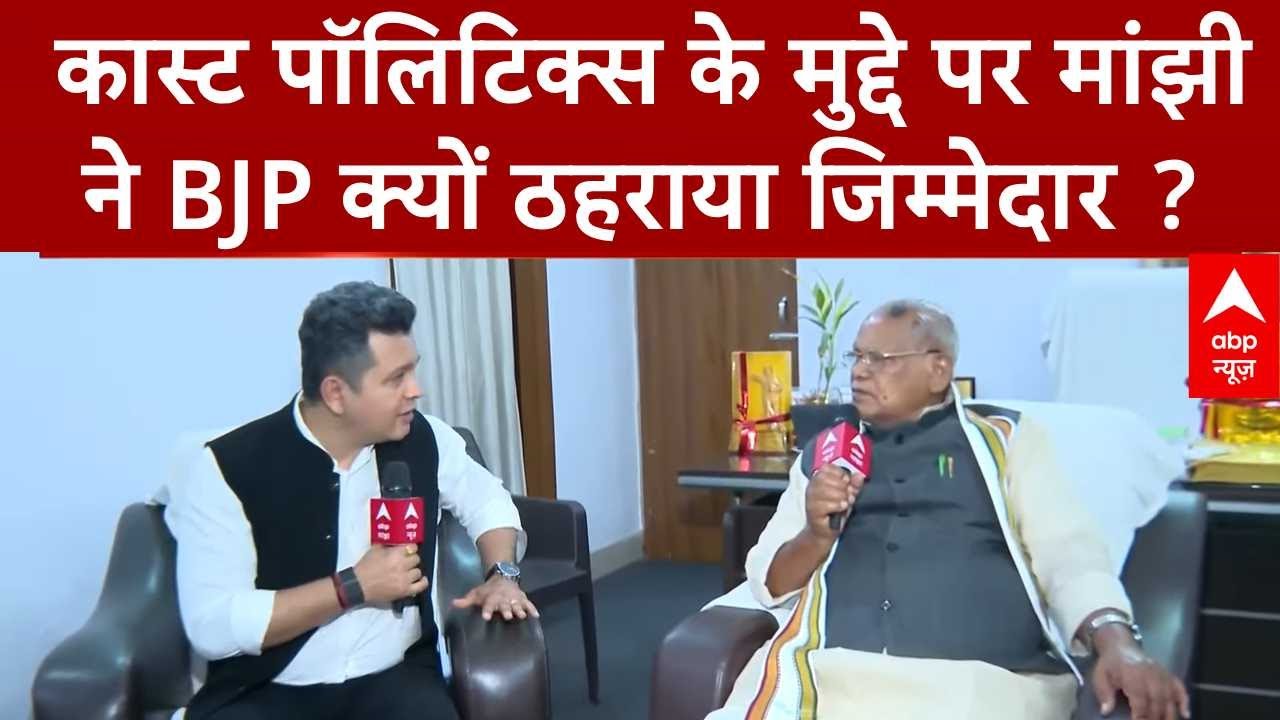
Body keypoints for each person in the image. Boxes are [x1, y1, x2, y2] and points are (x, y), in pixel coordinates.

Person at [710, 300, 1189, 720]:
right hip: (826, 676)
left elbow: (1069, 556)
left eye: (881, 359)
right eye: (857, 357)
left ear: (939, 369)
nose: (859, 372)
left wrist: (1119, 643)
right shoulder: (826, 453)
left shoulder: (1008, 443)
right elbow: (770, 584)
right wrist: (815, 536)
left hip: (977, 683)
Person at [166, 281, 535, 719]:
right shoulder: (226, 467)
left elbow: (488, 501)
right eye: (396, 379)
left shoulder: (426, 439)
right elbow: (212, 625)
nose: (415, 390)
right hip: (266, 689)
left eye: (413, 371)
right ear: (336, 394)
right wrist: (351, 587)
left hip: (395, 679)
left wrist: (502, 575)